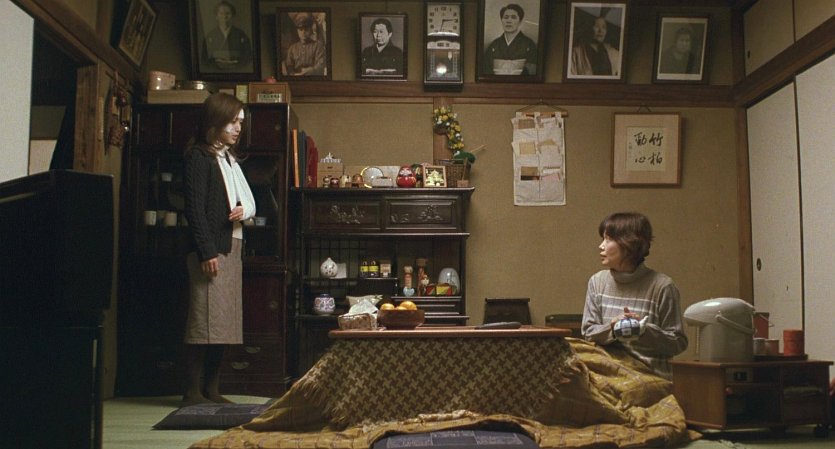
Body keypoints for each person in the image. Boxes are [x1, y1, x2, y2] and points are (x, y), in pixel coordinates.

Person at [181, 92, 256, 406]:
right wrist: (206, 251)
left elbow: (245, 202)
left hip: (232, 247)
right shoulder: (199, 157)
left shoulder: (228, 158)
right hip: (211, 248)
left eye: (240, 122)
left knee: (223, 321)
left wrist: (244, 211)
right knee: (203, 320)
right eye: (232, 121)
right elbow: (194, 209)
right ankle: (192, 392)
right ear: (215, 121)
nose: (238, 128)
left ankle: (211, 389)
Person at [581, 212, 688, 379]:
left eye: (608, 239)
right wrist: (613, 328)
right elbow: (588, 332)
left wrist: (643, 331)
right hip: (609, 375)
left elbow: (677, 343)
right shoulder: (597, 282)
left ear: (628, 244)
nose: (601, 246)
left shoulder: (662, 286)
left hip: (650, 377)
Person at [482, 4, 538, 76]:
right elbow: (486, 71)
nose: (509, 21)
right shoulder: (494, 45)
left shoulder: (529, 45)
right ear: (501, 20)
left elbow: (532, 72)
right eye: (506, 17)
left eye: (513, 17)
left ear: (520, 21)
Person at [201, 1, 252, 71]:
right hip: (216, 72)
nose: (224, 17)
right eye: (221, 13)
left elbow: (248, 58)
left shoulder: (241, 35)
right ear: (216, 16)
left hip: (237, 71)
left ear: (233, 16)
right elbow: (204, 60)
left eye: (228, 13)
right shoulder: (210, 36)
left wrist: (237, 67)